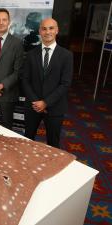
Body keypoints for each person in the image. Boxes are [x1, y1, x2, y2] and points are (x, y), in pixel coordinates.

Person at [22, 18, 73, 148]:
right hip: (33, 106)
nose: (47, 32)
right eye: (44, 28)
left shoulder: (67, 55)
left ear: (57, 30)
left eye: (51, 28)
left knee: (53, 143)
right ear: (40, 31)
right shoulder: (30, 54)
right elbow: (25, 80)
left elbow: (65, 84)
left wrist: (46, 102)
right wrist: (36, 102)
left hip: (55, 107)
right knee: (28, 140)